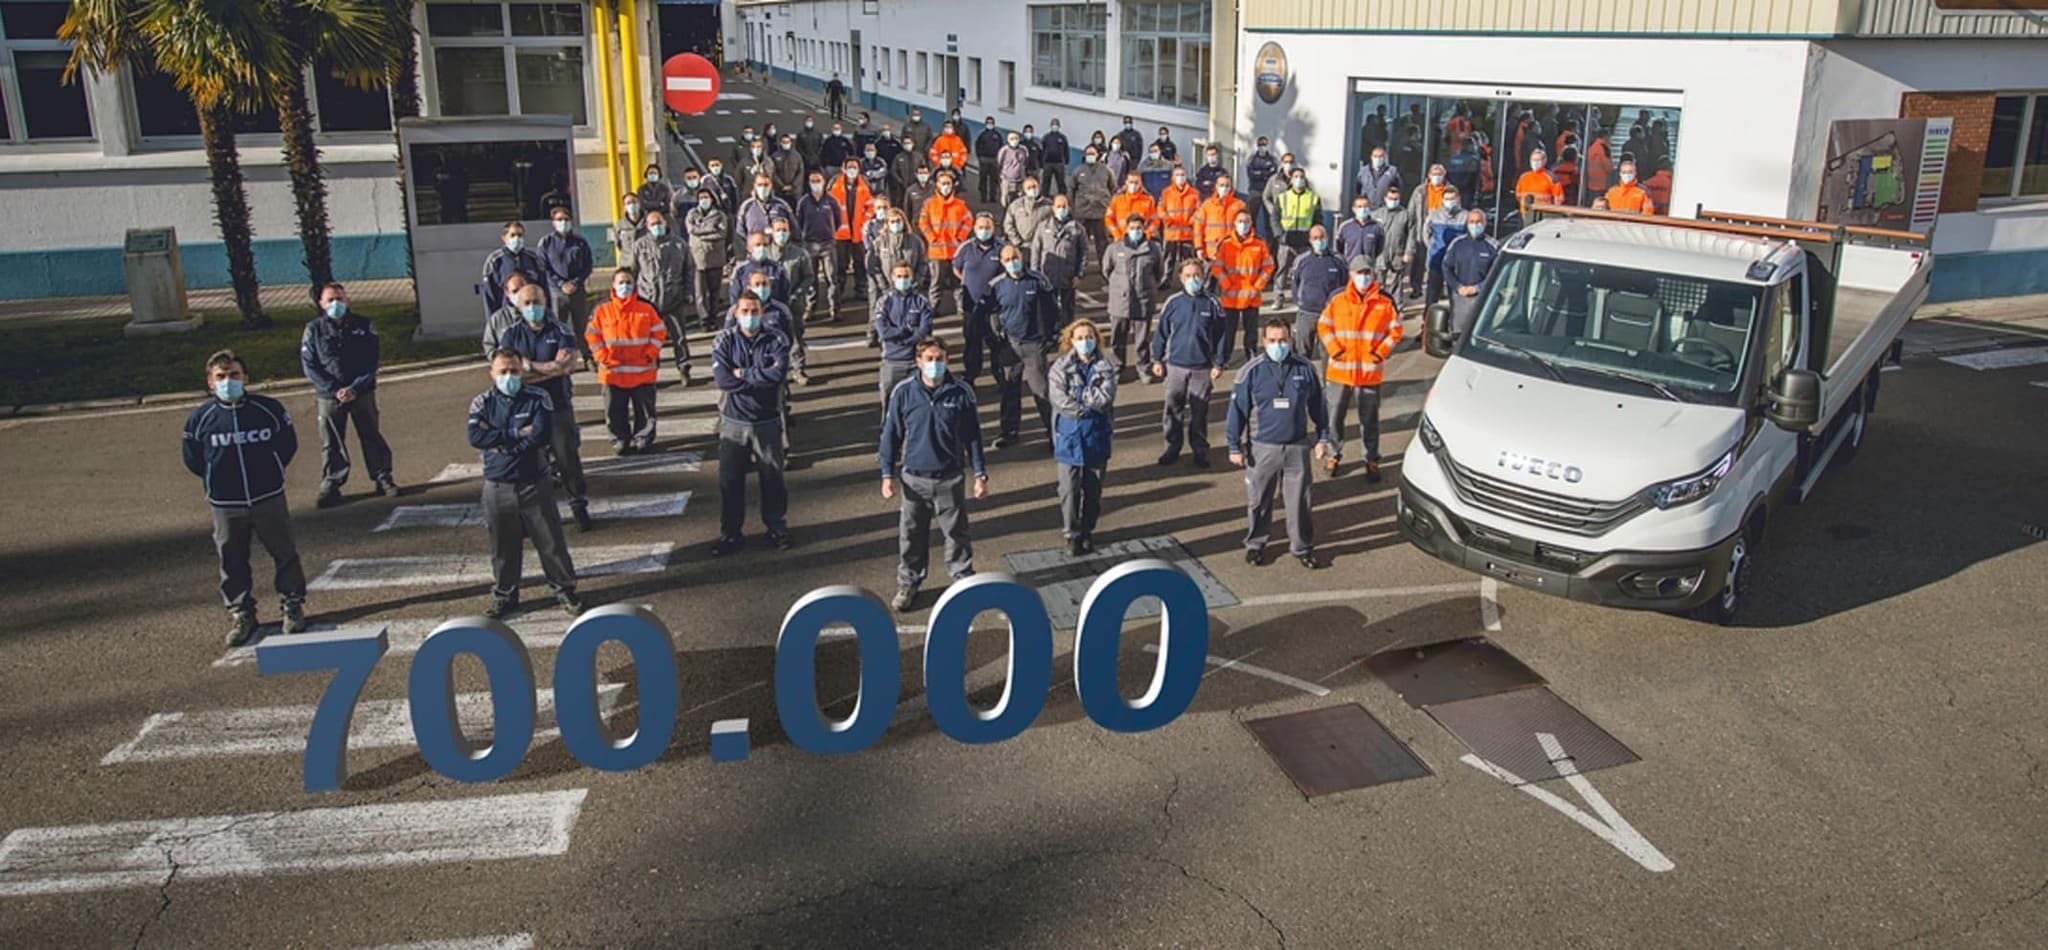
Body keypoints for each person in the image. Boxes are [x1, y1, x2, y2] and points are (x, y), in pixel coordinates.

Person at [185, 350, 307, 645]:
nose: (229, 381)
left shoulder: (269, 410)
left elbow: (287, 446)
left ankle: (292, 604)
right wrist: (219, 483)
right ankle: (242, 613)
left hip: (268, 497)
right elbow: (194, 460)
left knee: (284, 552)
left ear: (246, 378)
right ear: (211, 383)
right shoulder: (200, 419)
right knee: (232, 559)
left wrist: (270, 473)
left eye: (235, 375)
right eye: (222, 377)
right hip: (226, 504)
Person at [469, 349, 584, 619]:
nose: (509, 376)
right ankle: (505, 595)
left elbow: (541, 434)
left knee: (550, 542)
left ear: (523, 372)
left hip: (535, 481)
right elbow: (475, 436)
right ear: (492, 374)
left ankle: (564, 589)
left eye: (514, 371)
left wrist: (500, 440)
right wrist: (516, 434)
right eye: (503, 372)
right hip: (497, 486)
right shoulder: (481, 402)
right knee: (502, 547)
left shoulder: (538, 398)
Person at [879, 335, 990, 612]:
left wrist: (980, 474)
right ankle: (909, 583)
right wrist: (886, 474)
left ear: (947, 360)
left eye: (939, 359)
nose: (934, 364)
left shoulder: (961, 392)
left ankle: (962, 579)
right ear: (918, 362)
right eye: (929, 359)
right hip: (913, 478)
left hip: (949, 477)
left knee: (956, 534)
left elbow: (973, 436)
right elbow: (891, 435)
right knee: (911, 534)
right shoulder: (903, 392)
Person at [1228, 319, 1332, 569]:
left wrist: (1323, 437)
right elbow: (1237, 411)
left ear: (1290, 340)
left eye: (1283, 340)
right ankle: (1255, 545)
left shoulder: (1305, 368)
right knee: (1259, 501)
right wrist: (1234, 445)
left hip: (1297, 447)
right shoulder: (1250, 372)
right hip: (1262, 448)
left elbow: (1318, 406)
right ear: (1264, 342)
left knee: (1300, 502)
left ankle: (1302, 547)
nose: (1278, 345)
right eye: (1273, 341)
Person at [498, 284, 591, 531]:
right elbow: (509, 373)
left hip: (557, 405)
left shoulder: (560, 330)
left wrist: (530, 367)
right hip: (525, 410)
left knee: (567, 458)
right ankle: (528, 517)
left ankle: (578, 505)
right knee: (526, 464)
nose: (532, 308)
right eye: (527, 303)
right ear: (518, 305)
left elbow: (567, 366)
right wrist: (548, 369)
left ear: (545, 303)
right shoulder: (510, 335)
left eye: (536, 302)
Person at [710, 292, 795, 557]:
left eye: (754, 311)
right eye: (745, 311)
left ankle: (776, 527)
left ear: (762, 312)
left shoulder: (776, 338)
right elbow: (724, 380)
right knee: (730, 481)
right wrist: (759, 375)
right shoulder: (724, 340)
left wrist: (744, 374)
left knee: (772, 477)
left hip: (767, 420)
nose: (750, 316)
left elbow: (778, 375)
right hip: (733, 422)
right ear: (736, 313)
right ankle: (731, 533)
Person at [298, 283, 395, 509]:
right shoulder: (314, 330)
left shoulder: (363, 325)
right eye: (330, 300)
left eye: (340, 299)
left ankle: (382, 477)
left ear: (347, 300)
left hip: (361, 392)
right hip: (330, 395)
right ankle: (331, 484)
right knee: (331, 441)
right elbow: (310, 365)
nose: (336, 304)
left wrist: (355, 388)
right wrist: (335, 390)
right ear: (321, 304)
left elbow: (372, 361)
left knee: (371, 435)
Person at [1317, 258, 1402, 483]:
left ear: (1373, 274)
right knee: (1335, 416)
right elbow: (1323, 325)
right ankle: (1333, 454)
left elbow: (1395, 330)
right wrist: (1334, 350)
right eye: (1359, 272)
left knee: (1369, 419)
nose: (1363, 277)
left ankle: (1371, 458)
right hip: (1340, 371)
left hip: (1368, 372)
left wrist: (1379, 353)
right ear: (1351, 274)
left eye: (1367, 272)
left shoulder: (1384, 303)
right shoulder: (1338, 300)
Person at [1151, 260, 1230, 467]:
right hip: (1175, 366)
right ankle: (1172, 447)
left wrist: (1219, 363)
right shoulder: (1173, 302)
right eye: (1188, 276)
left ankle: (1200, 450)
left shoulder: (1213, 303)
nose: (1193, 280)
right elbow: (1161, 333)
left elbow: (1222, 336)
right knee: (1172, 409)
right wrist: (1157, 359)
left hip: (1201, 368)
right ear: (1181, 278)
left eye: (1197, 275)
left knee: (1200, 411)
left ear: (1203, 277)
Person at [1048, 318, 1117, 556]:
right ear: (1071, 341)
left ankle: (1088, 531)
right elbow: (1059, 399)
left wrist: (1080, 398)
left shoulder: (1105, 366)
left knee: (1093, 489)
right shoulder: (1059, 367)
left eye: (1089, 337)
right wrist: (1083, 407)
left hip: (1096, 436)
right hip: (1069, 436)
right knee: (1069, 490)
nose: (1085, 342)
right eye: (1080, 338)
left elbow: (1104, 397)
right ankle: (1071, 533)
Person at [986, 244, 1060, 449]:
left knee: (1041, 391)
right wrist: (996, 338)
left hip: (1034, 344)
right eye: (1007, 259)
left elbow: (1052, 309)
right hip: (1010, 345)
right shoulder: (996, 285)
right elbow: (990, 313)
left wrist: (1051, 335)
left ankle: (1053, 433)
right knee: (1010, 389)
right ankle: (1009, 432)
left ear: (1022, 257)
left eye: (1015, 257)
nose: (1012, 262)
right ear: (1002, 262)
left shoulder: (1038, 281)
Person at [586, 267, 667, 454]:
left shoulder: (646, 308)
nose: (625, 286)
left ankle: (643, 438)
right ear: (613, 285)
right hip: (613, 372)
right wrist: (601, 356)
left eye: (628, 282)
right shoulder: (602, 309)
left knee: (645, 410)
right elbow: (592, 335)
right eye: (621, 282)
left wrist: (651, 352)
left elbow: (659, 331)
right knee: (615, 410)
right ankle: (620, 439)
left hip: (642, 371)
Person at [632, 209, 696, 382]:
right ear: (647, 226)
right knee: (650, 340)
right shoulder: (639, 245)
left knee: (679, 337)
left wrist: (688, 292)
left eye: (659, 223)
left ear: (666, 223)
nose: (657, 226)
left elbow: (689, 269)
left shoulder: (679, 244)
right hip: (648, 300)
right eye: (653, 224)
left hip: (673, 297)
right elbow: (632, 272)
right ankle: (651, 372)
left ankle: (684, 368)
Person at [1101, 213, 1163, 382]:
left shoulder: (1153, 249)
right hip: (1120, 300)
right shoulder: (1114, 248)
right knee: (1117, 337)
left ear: (1144, 229)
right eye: (1132, 228)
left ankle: (1143, 367)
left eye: (1139, 228)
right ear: (1126, 229)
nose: (1135, 231)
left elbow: (1159, 273)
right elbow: (1106, 270)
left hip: (1143, 299)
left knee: (1142, 338)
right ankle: (1117, 367)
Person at [1212, 210, 1276, 364]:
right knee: (1228, 331)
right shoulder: (1226, 243)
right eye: (1240, 221)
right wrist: (1226, 284)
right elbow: (1217, 267)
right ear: (1234, 223)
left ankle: (1251, 356)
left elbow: (1268, 267)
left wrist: (1257, 286)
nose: (1243, 225)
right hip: (1230, 296)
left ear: (1251, 224)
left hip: (1251, 296)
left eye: (1246, 221)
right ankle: (1224, 357)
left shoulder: (1259, 243)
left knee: (1251, 331)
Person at [873, 261, 935, 413]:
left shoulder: (921, 301)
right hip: (891, 362)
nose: (903, 279)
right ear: (892, 277)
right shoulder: (884, 302)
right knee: (889, 404)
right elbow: (883, 333)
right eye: (899, 276)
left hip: (915, 362)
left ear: (912, 277)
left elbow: (925, 330)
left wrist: (905, 339)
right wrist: (906, 330)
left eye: (906, 276)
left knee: (919, 404)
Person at [953, 211, 1008, 385]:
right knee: (972, 344)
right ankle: (970, 375)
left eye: (988, 227)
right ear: (975, 228)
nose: (984, 230)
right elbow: (956, 267)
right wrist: (968, 281)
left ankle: (1000, 376)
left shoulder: (1001, 248)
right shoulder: (966, 248)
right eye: (981, 227)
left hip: (994, 307)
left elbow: (1008, 272)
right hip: (971, 306)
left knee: (997, 344)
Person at [767, 218, 816, 384]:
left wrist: (797, 294)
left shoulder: (799, 253)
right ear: (772, 233)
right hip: (771, 306)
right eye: (778, 230)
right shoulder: (765, 254)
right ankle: (774, 371)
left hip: (794, 305)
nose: (781, 234)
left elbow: (808, 277)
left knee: (795, 338)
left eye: (784, 230)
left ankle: (798, 369)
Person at [919, 170, 972, 317]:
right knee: (936, 283)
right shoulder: (930, 204)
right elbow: (923, 222)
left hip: (955, 251)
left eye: (948, 183)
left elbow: (968, 221)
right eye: (943, 183)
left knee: (958, 283)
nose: (946, 186)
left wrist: (961, 236)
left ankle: (961, 308)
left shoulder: (960, 204)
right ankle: (933, 308)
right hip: (937, 251)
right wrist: (932, 237)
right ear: (937, 184)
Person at [540, 206, 594, 349]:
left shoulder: (580, 242)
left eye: (566, 219)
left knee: (582, 327)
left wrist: (576, 283)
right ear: (553, 222)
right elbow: (544, 267)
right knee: (558, 328)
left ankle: (587, 357)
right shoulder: (546, 243)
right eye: (559, 219)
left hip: (578, 291)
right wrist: (561, 284)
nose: (563, 222)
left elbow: (588, 265)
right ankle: (560, 359)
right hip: (556, 293)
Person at [1031, 194, 1091, 326]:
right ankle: (1049, 334)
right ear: (1053, 208)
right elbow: (1036, 250)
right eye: (1058, 206)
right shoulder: (1043, 226)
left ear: (1069, 208)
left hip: (1068, 275)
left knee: (1067, 308)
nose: (1061, 209)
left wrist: (1079, 275)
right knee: (1046, 307)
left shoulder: (1077, 228)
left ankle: (1067, 334)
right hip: (1047, 275)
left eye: (1064, 206)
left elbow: (1084, 252)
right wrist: (1035, 274)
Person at [1290, 226, 1347, 358]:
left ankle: (1327, 379)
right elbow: (1295, 284)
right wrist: (1300, 303)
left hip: (1329, 315)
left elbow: (1344, 285)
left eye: (1322, 237)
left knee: (1329, 354)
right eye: (1315, 238)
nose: (1319, 241)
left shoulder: (1338, 260)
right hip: (1306, 314)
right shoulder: (1301, 260)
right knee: (1301, 354)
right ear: (1310, 240)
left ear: (1327, 238)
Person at [1443, 209, 1501, 338]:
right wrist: (1458, 287)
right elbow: (1446, 268)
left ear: (1485, 224)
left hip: (1482, 297)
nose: (1475, 225)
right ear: (1467, 224)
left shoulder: (1493, 246)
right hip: (1460, 297)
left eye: (1478, 222)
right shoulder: (1457, 244)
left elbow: (1497, 274)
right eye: (1472, 222)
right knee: (1458, 336)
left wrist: (1478, 288)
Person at [794, 170, 844, 321]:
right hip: (809, 243)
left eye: (818, 180)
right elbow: (799, 221)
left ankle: (835, 308)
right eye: (812, 181)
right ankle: (811, 307)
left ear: (824, 182)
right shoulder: (804, 201)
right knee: (811, 278)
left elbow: (838, 220)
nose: (816, 183)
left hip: (828, 243)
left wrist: (830, 232)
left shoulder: (831, 201)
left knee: (832, 277)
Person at [686, 187, 733, 332]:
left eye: (706, 197)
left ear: (712, 198)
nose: (704, 200)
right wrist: (709, 230)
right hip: (698, 258)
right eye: (701, 198)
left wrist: (702, 234)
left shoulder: (719, 215)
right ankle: (704, 319)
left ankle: (713, 317)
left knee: (715, 291)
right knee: (700, 292)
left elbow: (721, 233)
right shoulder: (692, 214)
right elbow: (691, 230)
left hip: (715, 257)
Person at [829, 159, 874, 310]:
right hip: (841, 232)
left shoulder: (864, 185)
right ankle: (839, 291)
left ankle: (860, 290)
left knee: (860, 262)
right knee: (841, 264)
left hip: (858, 231)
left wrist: (864, 223)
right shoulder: (835, 185)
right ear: (843, 168)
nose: (852, 170)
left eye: (855, 167)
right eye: (849, 167)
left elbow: (870, 206)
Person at [1273, 167, 1322, 299]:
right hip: (1286, 239)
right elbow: (1275, 218)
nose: (1299, 179)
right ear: (1291, 179)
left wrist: (1313, 237)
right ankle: (1278, 297)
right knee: (1282, 269)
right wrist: (1279, 235)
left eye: (1301, 177)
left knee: (1304, 269)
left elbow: (1318, 219)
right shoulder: (1283, 197)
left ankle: (1302, 296)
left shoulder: (1313, 198)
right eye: (1296, 177)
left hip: (1305, 240)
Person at [480, 222, 545, 320]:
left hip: (531, 314)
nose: (517, 239)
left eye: (520, 235)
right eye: (512, 235)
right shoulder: (494, 260)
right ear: (504, 238)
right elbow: (489, 293)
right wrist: (492, 319)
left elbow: (544, 287)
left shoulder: (533, 259)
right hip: (506, 315)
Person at [1157, 165, 1202, 285]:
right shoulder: (1166, 193)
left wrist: (1191, 221)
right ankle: (1167, 279)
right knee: (1169, 258)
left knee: (1187, 259)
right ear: (1172, 177)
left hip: (1187, 232)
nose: (1180, 178)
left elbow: (1199, 211)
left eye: (1182, 175)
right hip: (1171, 232)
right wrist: (1167, 220)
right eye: (1177, 175)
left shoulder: (1194, 193)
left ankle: (1187, 280)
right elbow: (1160, 209)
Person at [1423, 186, 1467, 307]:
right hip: (1436, 262)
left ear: (1458, 199)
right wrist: (1433, 247)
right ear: (1442, 200)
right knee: (1432, 296)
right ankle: (1427, 321)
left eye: (1452, 198)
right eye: (1447, 199)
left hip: (1456, 264)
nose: (1450, 201)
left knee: (1455, 297)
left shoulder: (1465, 216)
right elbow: (1426, 234)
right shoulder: (1434, 215)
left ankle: (1454, 323)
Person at [1371, 185, 1418, 300]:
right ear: (1385, 199)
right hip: (1380, 253)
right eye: (1391, 199)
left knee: (1396, 282)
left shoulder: (1406, 215)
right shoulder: (1376, 215)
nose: (1393, 201)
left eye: (1396, 199)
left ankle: (1396, 307)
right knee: (1378, 282)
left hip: (1398, 252)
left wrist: (1408, 252)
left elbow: (1412, 235)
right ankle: (1378, 304)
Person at [1069, 146, 1116, 255]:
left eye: (1093, 153)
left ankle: (1104, 269)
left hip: (1101, 212)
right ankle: (1080, 269)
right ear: (1085, 155)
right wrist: (1073, 207)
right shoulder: (1078, 170)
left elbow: (1113, 187)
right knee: (1081, 242)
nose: (1090, 156)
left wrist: (1108, 203)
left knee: (1102, 243)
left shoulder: (1106, 170)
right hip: (1083, 213)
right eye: (1088, 154)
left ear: (1097, 155)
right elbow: (1071, 189)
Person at [1194, 173, 1247, 262]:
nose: (1224, 188)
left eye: (1227, 185)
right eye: (1221, 185)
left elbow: (1247, 228)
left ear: (1231, 187)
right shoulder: (1207, 205)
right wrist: (1199, 247)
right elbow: (1198, 228)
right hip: (1211, 252)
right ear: (1216, 186)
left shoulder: (1239, 205)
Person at [481, 273, 534, 360]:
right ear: (507, 293)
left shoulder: (542, 314)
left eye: (522, 289)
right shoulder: (497, 319)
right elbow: (489, 346)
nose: (519, 294)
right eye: (515, 291)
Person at [1335, 196, 1384, 280]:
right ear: (1354, 209)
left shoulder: (1377, 227)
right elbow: (1339, 247)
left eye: (1365, 206)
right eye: (1359, 207)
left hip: (1369, 270)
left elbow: (1379, 248)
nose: (1363, 209)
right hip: (1350, 270)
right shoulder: (1345, 227)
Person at [1106, 170, 1159, 244]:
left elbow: (1155, 221)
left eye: (1136, 182)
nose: (1133, 185)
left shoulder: (1148, 200)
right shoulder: (1117, 199)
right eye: (1131, 182)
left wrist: (1147, 234)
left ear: (1141, 183)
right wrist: (1116, 233)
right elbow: (1108, 218)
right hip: (1120, 239)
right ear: (1126, 182)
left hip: (1142, 240)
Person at [1003, 176, 1052, 250]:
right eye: (1029, 188)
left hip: (1042, 247)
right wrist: (1017, 241)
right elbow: (1008, 224)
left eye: (1034, 186)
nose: (1032, 189)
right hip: (1021, 246)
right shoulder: (1016, 205)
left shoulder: (1049, 205)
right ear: (1024, 190)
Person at [1259, 153, 1295, 247]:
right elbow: (1266, 196)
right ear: (1282, 163)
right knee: (1272, 244)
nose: (1288, 164)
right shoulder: (1274, 179)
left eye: (1291, 162)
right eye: (1286, 162)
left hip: (1291, 220)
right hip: (1276, 218)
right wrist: (1272, 210)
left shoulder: (1298, 179)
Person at [997, 128, 1032, 207]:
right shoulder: (1004, 150)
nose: (1014, 140)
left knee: (1020, 199)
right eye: (1012, 139)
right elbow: (999, 163)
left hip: (1020, 179)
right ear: (1008, 140)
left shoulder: (1023, 149)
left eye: (1016, 138)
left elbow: (1026, 161)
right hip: (1007, 180)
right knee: (1005, 199)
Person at [1038, 119, 1070, 196]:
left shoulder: (1062, 137)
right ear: (1050, 126)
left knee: (1061, 181)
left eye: (1056, 125)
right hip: (1048, 163)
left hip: (1059, 163)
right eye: (1053, 124)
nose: (1054, 126)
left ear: (1059, 126)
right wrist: (1041, 164)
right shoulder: (1046, 137)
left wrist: (1066, 162)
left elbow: (1066, 150)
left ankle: (1062, 196)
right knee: (1046, 181)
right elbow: (1042, 150)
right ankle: (1044, 196)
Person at [613, 194, 648, 264]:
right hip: (627, 263)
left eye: (634, 202)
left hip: (646, 263)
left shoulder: (648, 222)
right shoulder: (620, 225)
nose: (632, 205)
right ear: (625, 207)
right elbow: (618, 244)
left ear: (639, 204)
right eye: (628, 203)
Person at [772, 132, 806, 202]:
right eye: (784, 142)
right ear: (780, 143)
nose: (786, 144)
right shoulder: (775, 156)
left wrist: (793, 185)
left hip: (795, 191)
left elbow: (801, 172)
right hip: (780, 191)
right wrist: (781, 186)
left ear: (791, 142)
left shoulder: (797, 156)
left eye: (787, 142)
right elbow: (773, 172)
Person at [888, 135, 920, 207]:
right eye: (905, 143)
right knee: (901, 204)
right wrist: (900, 181)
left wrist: (918, 180)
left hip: (916, 185)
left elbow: (923, 168)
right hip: (901, 187)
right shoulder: (898, 157)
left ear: (913, 144)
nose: (907, 145)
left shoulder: (918, 156)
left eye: (909, 143)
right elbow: (893, 170)